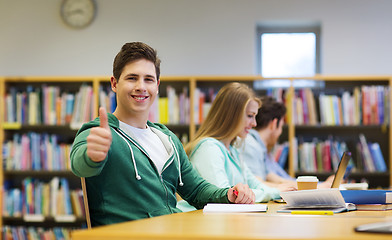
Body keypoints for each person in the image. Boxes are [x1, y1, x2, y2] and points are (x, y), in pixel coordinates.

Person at [70, 42, 255, 227]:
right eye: (132, 78)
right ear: (114, 83)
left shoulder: (167, 138)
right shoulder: (98, 133)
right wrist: (92, 156)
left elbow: (196, 191)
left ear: (157, 86)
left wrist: (228, 194)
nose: (141, 87)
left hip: (173, 231)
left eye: (148, 79)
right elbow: (80, 165)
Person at [184, 83, 296, 204]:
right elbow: (225, 196)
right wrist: (274, 191)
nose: (254, 124)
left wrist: (277, 190)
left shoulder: (233, 149)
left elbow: (254, 183)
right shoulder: (209, 148)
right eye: (249, 116)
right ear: (231, 115)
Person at [239, 96, 333, 188]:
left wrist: (318, 185)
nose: (280, 132)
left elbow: (279, 179)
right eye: (281, 127)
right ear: (274, 124)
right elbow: (257, 185)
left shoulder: (263, 149)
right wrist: (316, 186)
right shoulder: (251, 145)